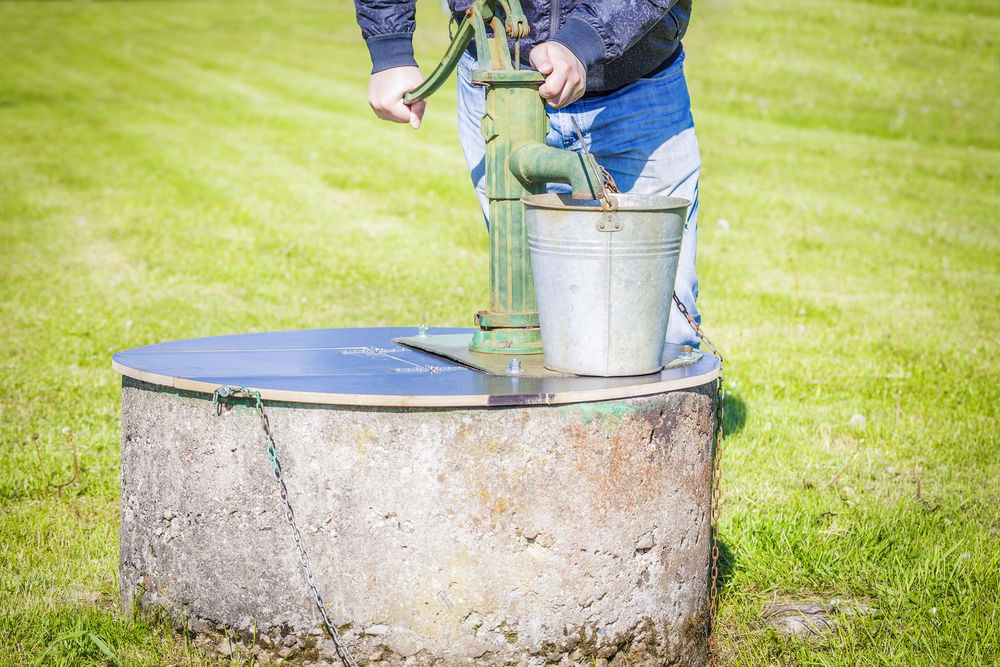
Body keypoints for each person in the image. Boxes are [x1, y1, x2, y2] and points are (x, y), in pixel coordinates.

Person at [354, 0, 702, 347]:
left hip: (636, 82)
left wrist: (585, 39)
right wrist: (390, 44)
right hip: (498, 82)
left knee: (661, 331)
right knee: (540, 318)